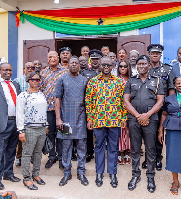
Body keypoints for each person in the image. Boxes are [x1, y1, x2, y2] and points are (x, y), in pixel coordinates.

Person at [124, 55, 164, 193]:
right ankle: (135, 175)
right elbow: (126, 101)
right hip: (134, 119)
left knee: (150, 149)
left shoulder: (157, 81)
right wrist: (138, 116)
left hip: (151, 119)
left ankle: (151, 177)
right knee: (135, 148)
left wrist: (147, 115)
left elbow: (160, 101)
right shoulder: (131, 80)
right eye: (139, 64)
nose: (141, 66)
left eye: (143, 64)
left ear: (148, 65)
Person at [85, 56, 127, 188]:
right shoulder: (93, 82)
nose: (106, 67)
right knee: (99, 147)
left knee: (113, 147)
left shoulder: (119, 82)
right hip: (98, 120)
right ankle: (99, 173)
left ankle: (113, 173)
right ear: (99, 66)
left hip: (115, 121)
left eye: (109, 65)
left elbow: (123, 102)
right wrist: (90, 119)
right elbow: (88, 102)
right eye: (104, 65)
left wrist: (123, 118)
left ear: (113, 66)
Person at [54, 56, 89, 186]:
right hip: (66, 118)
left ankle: (81, 172)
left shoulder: (84, 80)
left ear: (80, 65)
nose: (74, 64)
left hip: (81, 118)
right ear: (67, 64)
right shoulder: (62, 79)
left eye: (76, 63)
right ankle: (67, 172)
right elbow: (57, 99)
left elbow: (88, 101)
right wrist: (58, 118)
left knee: (81, 146)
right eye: (72, 63)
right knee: (66, 147)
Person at [142, 44, 175, 171]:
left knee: (159, 133)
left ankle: (158, 158)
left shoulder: (167, 69)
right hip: (148, 106)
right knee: (147, 133)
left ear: (160, 55)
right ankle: (148, 158)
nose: (155, 55)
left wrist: (170, 105)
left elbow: (171, 87)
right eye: (152, 53)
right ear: (149, 55)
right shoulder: (145, 69)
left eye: (157, 53)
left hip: (162, 106)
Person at [16, 71, 47, 190]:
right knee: (27, 153)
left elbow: (43, 111)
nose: (35, 81)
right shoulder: (23, 96)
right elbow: (20, 114)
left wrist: (47, 125)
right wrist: (21, 131)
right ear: (28, 80)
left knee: (38, 153)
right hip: (29, 129)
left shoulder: (41, 94)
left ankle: (36, 174)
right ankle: (27, 178)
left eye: (37, 79)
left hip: (42, 128)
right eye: (32, 79)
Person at [40, 51, 68, 169]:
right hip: (48, 108)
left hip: (63, 108)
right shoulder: (43, 72)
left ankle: (62, 157)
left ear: (58, 58)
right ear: (47, 59)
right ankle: (52, 156)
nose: (52, 59)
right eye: (50, 57)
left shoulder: (65, 72)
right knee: (50, 133)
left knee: (62, 133)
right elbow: (40, 89)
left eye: (54, 57)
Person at [14, 61, 36, 167]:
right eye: (28, 67)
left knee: (31, 136)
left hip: (33, 114)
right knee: (21, 136)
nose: (30, 69)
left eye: (32, 67)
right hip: (22, 112)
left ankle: (30, 156)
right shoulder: (18, 81)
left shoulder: (36, 80)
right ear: (24, 69)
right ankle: (19, 157)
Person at [117, 60, 132, 165]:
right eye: (120, 66)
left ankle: (127, 152)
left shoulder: (132, 80)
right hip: (118, 109)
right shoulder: (115, 80)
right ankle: (118, 152)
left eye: (125, 66)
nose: (122, 68)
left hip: (130, 108)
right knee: (119, 131)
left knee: (129, 131)